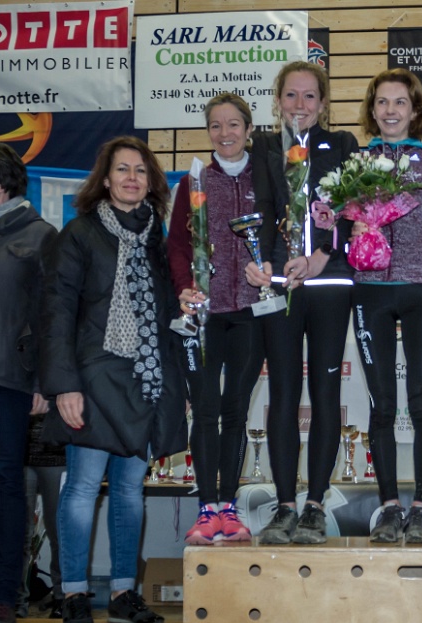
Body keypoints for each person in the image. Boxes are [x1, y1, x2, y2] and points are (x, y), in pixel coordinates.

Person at [40, 136, 187, 623]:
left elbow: (166, 315)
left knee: (129, 491)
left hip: (144, 378)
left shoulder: (157, 239)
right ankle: (74, 595)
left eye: (141, 171)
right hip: (91, 377)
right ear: (105, 180)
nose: (132, 178)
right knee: (82, 488)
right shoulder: (79, 234)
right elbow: (57, 313)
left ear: (151, 182)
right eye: (123, 170)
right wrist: (64, 385)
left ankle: (124, 592)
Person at [245, 61, 359, 545]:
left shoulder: (344, 144)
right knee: (284, 394)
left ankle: (315, 504)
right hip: (282, 284)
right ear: (277, 101)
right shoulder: (263, 147)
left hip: (330, 282)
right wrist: (266, 265)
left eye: (309, 96)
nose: (300, 105)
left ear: (324, 103)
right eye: (291, 95)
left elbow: (352, 208)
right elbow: (261, 209)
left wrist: (321, 256)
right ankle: (285, 505)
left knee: (326, 393)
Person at [351, 69, 422, 544]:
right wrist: (346, 226)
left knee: (421, 401)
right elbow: (335, 223)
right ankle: (388, 507)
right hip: (369, 288)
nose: (391, 110)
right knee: (381, 404)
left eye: (400, 102)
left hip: (421, 285)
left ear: (415, 110)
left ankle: (420, 506)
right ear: (372, 110)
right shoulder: (355, 163)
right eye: (382, 102)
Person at [169, 93, 263, 545]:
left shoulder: (267, 178)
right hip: (204, 315)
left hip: (250, 312)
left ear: (249, 129)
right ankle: (206, 509)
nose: (225, 134)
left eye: (233, 125)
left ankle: (230, 506)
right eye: (216, 126)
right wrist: (183, 287)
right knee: (205, 410)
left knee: (236, 410)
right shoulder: (193, 181)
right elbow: (177, 246)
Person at [0, 143, 57, 623]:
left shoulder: (40, 236)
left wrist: (42, 380)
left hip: (10, 380)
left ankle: (3, 597)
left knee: (5, 485)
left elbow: (52, 317)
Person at [17, 412, 65, 620]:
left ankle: (63, 597)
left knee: (60, 534)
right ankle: (15, 600)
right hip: (17, 454)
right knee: (17, 534)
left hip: (58, 452)